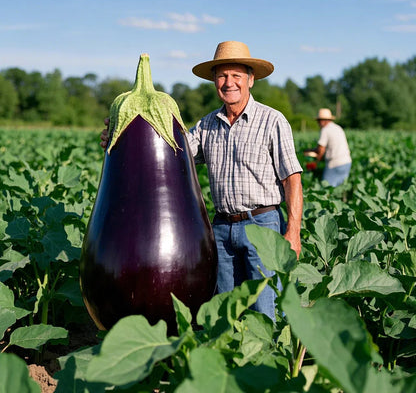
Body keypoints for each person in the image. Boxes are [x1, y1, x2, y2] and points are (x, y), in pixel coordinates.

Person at [100, 41, 303, 321]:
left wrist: (293, 231)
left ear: (250, 80)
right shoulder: (206, 125)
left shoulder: (272, 120)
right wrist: (122, 139)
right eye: (222, 76)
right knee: (224, 310)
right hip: (221, 228)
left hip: (263, 223)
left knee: (264, 306)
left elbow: (292, 178)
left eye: (236, 76)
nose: (229, 83)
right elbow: (172, 154)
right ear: (214, 81)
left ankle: (269, 363)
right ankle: (229, 363)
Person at [303, 108, 351, 187]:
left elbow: (321, 150)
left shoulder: (325, 130)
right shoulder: (338, 128)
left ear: (323, 121)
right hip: (346, 162)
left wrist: (316, 162)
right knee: (341, 188)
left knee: (326, 188)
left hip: (334, 163)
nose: (318, 123)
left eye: (319, 121)